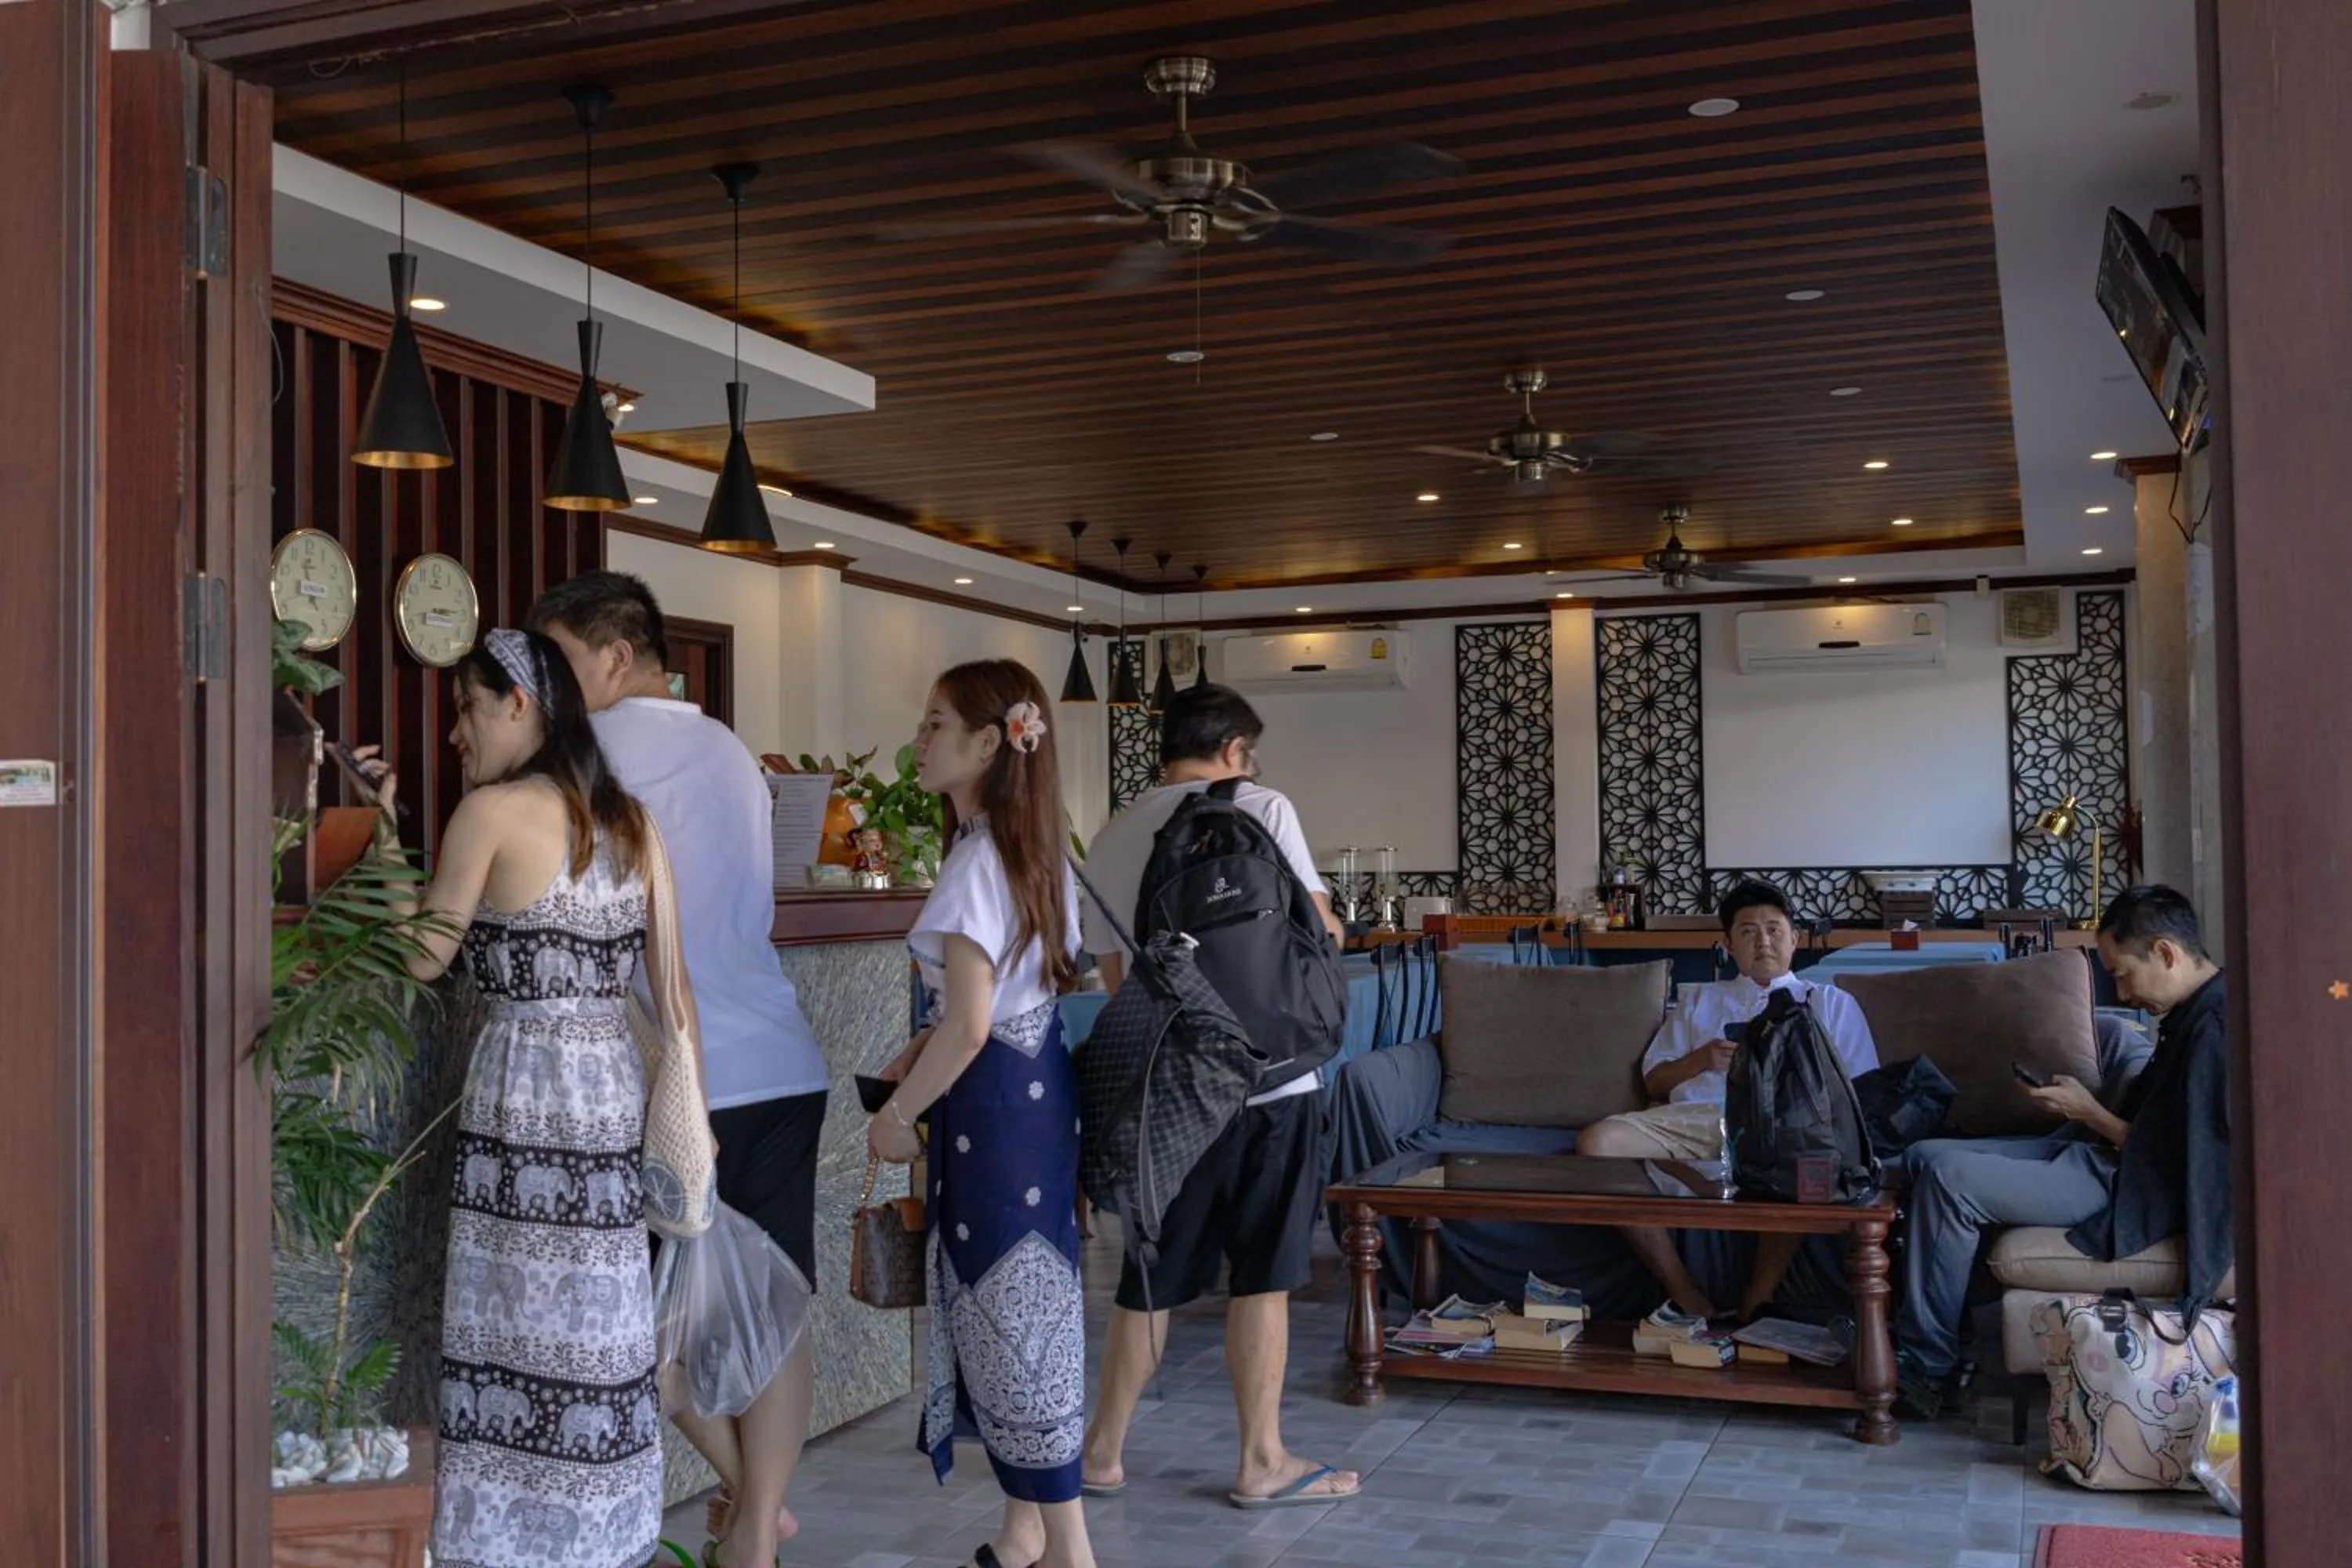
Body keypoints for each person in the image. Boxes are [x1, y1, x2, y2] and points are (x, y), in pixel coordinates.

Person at [363, 628, 681, 1568]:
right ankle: (600, 1529)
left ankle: (509, 1539)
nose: (456, 731)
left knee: (509, 1315)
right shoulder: (631, 820)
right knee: (597, 1322)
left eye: (467, 706)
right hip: (607, 1093)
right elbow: (671, 985)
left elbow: (422, 954)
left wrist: (381, 835)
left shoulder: (490, 814)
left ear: (522, 705)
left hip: (523, 1094)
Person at [532, 571, 826, 1567]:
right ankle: (756, 1522)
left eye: (560, 663)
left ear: (616, 657)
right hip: (779, 1060)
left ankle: (749, 1509)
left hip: (665, 1079)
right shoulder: (734, 751)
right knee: (774, 1304)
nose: (546, 687)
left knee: (640, 1325)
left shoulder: (581, 751)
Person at [1076, 683, 1359, 1512]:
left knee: (1151, 1274)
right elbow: (1322, 930)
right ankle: (1261, 1457)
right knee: (1263, 1274)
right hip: (1277, 1079)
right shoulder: (1261, 805)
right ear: (1235, 748)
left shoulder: (1114, 834)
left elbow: (1118, 981)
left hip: (1173, 1090)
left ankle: (1103, 1449)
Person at [867, 660, 1094, 1568]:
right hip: (1032, 1103)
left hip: (994, 1118)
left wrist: (898, 1118)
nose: (918, 742)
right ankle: (1025, 1530)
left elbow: (968, 1021)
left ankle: (1070, 1550)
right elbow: (1012, 997)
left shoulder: (975, 862)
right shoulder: (1030, 847)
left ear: (993, 741)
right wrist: (921, 1057)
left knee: (1010, 1317)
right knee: (1022, 1307)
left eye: (934, 726)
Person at [1893, 884, 2232, 1419]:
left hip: (2130, 1189)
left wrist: (2088, 1112)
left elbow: (2187, 1161)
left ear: (2166, 954)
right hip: (2099, 1157)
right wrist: (2083, 1112)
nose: (2119, 993)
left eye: (2121, 972)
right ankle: (1934, 1338)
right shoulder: (2192, 1015)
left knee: (1948, 1180)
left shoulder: (2216, 1027)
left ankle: (1925, 1366)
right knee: (1922, 1154)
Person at [1578, 879, 1882, 1319]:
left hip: (1786, 1129)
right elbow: (1655, 1083)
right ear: (1727, 944)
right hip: (1695, 1120)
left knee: (1807, 1158)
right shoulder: (1700, 1000)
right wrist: (1701, 1060)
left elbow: (1861, 1094)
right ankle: (1682, 1291)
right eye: (1748, 931)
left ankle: (1758, 1295)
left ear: (1795, 939)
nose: (1763, 941)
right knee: (1596, 1142)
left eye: (1775, 930)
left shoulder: (1830, 1003)